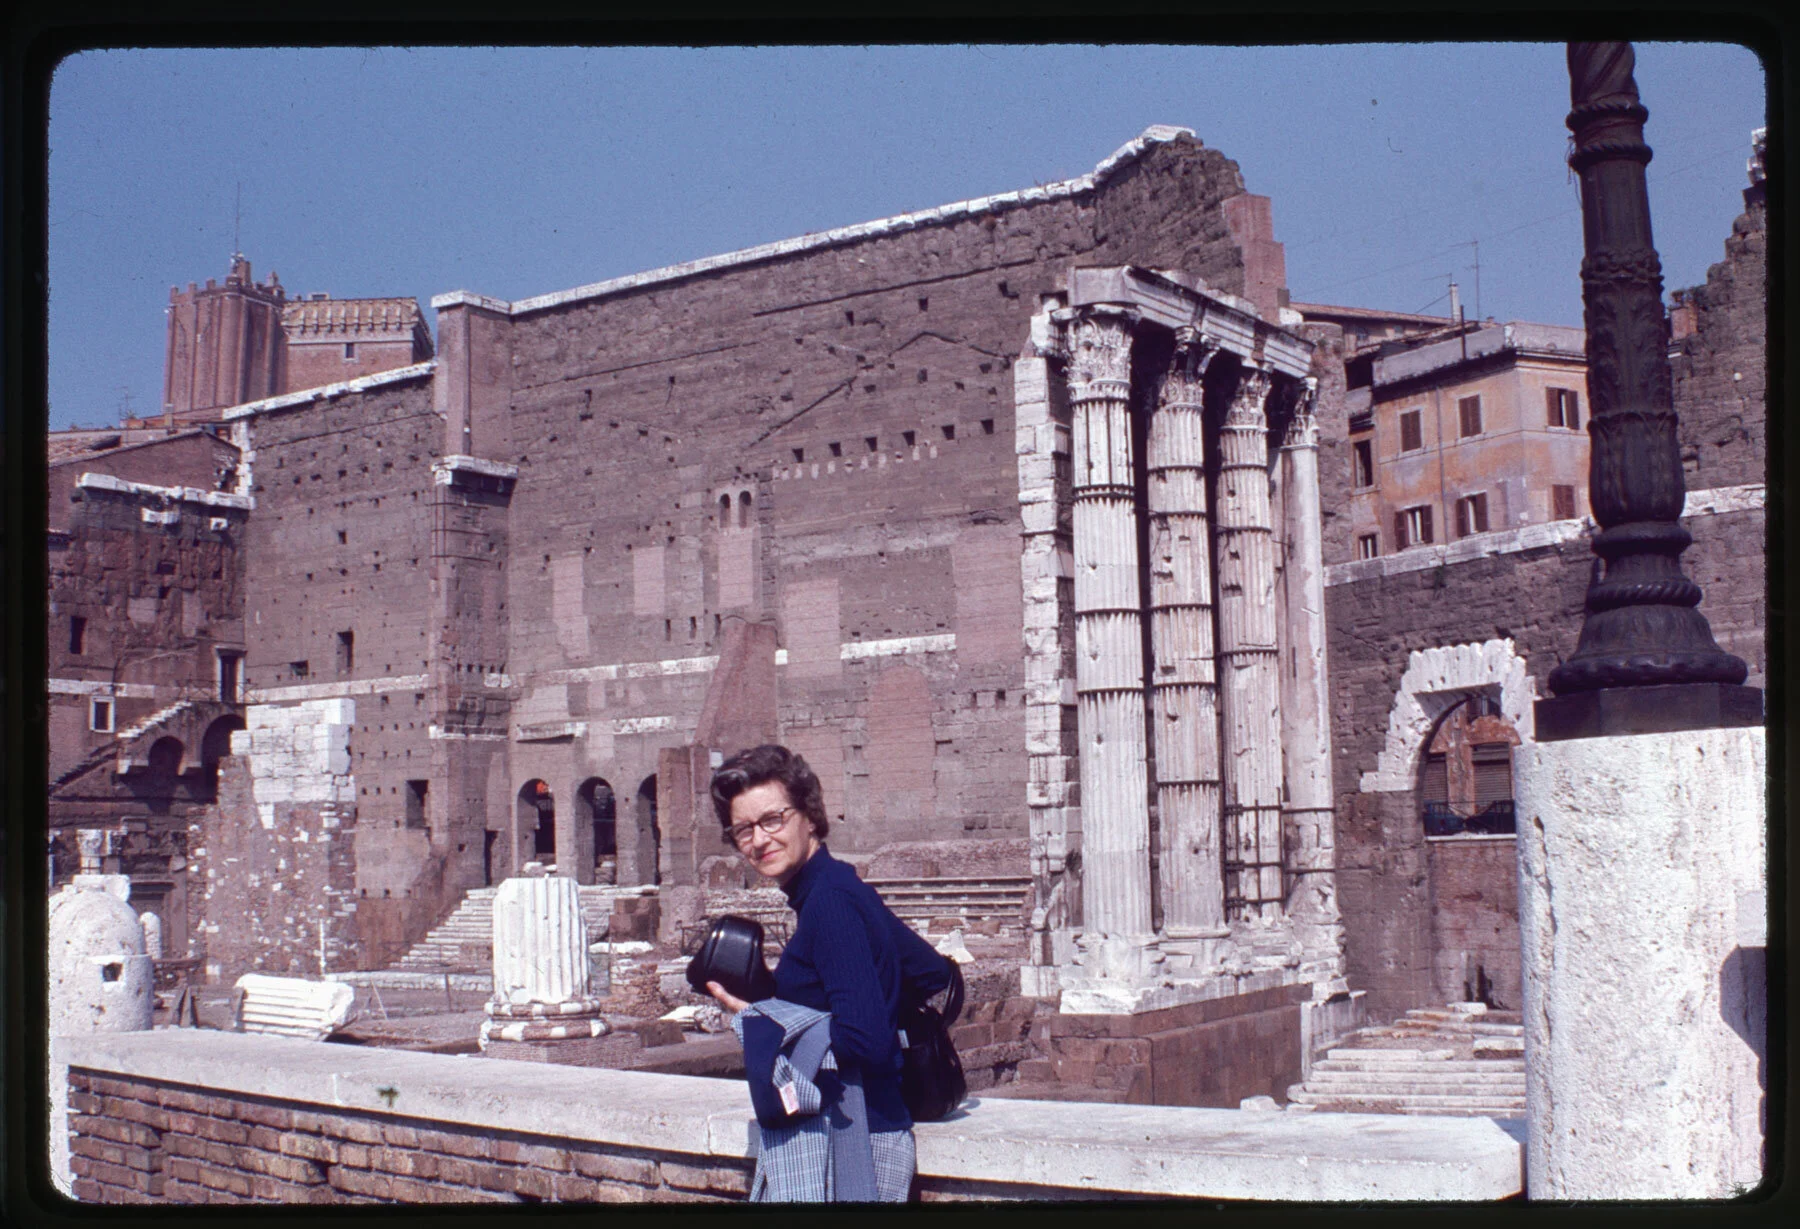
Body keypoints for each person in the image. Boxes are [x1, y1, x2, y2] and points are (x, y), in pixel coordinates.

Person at [706, 744, 951, 1202]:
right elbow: (933, 974)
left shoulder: (830, 902)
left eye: (772, 819)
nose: (759, 840)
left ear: (809, 816)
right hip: (860, 1127)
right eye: (743, 829)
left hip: (855, 1142)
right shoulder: (839, 885)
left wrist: (760, 1020)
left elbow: (866, 1039)